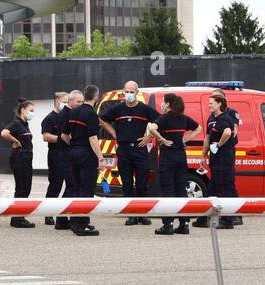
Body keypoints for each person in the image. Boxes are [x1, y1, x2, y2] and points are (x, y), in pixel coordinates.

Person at [99, 80, 156, 226]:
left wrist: (150, 136)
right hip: (123, 149)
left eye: (132, 91)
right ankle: (131, 215)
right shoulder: (118, 108)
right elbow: (102, 120)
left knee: (142, 183)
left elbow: (160, 121)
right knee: (127, 183)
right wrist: (114, 133)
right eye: (127, 91)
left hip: (140, 149)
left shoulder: (144, 109)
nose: (129, 94)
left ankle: (142, 214)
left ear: (136, 93)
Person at [143, 93, 201, 236]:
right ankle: (184, 224)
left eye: (163, 102)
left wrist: (162, 139)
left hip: (168, 157)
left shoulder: (164, 119)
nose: (162, 105)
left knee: (168, 190)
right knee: (181, 189)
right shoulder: (184, 118)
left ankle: (168, 224)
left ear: (168, 104)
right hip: (181, 156)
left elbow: (151, 128)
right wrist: (184, 140)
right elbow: (198, 128)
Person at [62, 85, 102, 237]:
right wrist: (100, 158)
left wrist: (74, 146)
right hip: (86, 154)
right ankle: (82, 225)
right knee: (87, 190)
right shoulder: (91, 114)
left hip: (73, 152)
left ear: (84, 96)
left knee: (76, 188)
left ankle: (76, 221)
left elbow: (64, 136)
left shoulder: (73, 112)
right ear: (96, 97)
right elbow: (93, 138)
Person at [204, 92, 241, 229]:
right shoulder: (212, 118)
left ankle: (228, 220)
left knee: (225, 187)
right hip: (216, 156)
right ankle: (210, 217)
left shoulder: (225, 118)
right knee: (214, 186)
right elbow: (207, 138)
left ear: (219, 103)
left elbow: (228, 132)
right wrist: (204, 154)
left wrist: (219, 145)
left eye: (211, 103)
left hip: (224, 155)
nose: (209, 106)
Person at [1, 99, 36, 228]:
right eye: (31, 111)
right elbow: (4, 133)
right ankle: (18, 219)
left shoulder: (25, 124)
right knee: (22, 188)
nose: (33, 114)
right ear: (22, 110)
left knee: (25, 188)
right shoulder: (16, 123)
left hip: (26, 158)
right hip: (19, 158)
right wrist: (14, 140)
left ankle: (18, 216)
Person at [40, 92, 69, 228]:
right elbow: (46, 136)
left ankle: (64, 212)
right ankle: (48, 213)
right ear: (56, 101)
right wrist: (62, 138)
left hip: (67, 153)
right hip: (55, 154)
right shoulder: (49, 118)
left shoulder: (67, 116)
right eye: (64, 101)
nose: (66, 103)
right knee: (55, 185)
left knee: (70, 184)